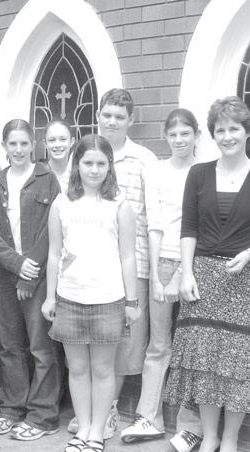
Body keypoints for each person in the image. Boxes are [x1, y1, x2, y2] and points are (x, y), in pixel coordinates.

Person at [69, 88, 158, 439]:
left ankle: (108, 410)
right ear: (98, 115)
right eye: (107, 114)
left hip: (132, 263)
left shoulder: (144, 159)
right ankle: (91, 412)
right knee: (89, 343)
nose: (112, 121)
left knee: (123, 344)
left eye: (120, 116)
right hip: (88, 270)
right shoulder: (87, 154)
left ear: (130, 120)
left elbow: (152, 215)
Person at [42, 134, 139, 452]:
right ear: (77, 164)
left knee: (102, 368)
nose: (94, 169)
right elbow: (54, 253)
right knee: (78, 368)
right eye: (88, 163)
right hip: (69, 297)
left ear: (110, 166)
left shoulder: (120, 205)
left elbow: (128, 256)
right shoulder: (61, 203)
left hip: (108, 299)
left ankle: (98, 430)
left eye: (101, 163)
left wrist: (132, 301)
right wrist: (50, 296)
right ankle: (82, 428)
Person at [165, 96, 250, 452]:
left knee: (236, 366)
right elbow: (189, 228)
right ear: (212, 135)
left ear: (246, 132)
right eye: (220, 130)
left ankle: (230, 439)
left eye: (234, 129)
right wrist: (186, 274)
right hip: (202, 279)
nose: (227, 136)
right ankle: (210, 436)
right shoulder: (199, 174)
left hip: (243, 282)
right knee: (204, 365)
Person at [120, 109, 203, 452]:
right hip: (163, 263)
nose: (179, 140)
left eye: (186, 133)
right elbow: (153, 224)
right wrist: (155, 273)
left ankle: (190, 426)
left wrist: (187, 269)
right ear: (165, 137)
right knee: (158, 345)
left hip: (197, 263)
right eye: (173, 134)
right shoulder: (155, 170)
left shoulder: (205, 171)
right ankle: (149, 418)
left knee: (192, 349)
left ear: (197, 135)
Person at [0, 119, 63, 441]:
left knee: (41, 347)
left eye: (23, 143)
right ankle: (12, 408)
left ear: (33, 145)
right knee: (9, 346)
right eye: (12, 144)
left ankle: (43, 415)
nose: (18, 150)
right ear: (4, 146)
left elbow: (51, 230)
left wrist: (30, 273)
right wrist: (17, 265)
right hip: (4, 276)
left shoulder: (47, 179)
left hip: (39, 276)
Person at [44, 119, 75, 192]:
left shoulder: (80, 176)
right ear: (45, 143)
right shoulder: (36, 175)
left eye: (63, 139)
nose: (57, 145)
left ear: (72, 141)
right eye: (52, 140)